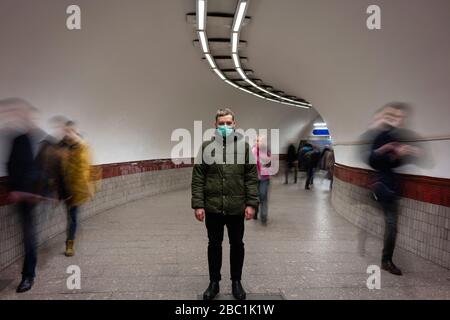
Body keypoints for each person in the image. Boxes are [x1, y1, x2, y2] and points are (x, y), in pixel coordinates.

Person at [191, 108, 259, 300]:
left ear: (234, 124)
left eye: (229, 123)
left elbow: (251, 177)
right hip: (212, 207)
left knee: (237, 244)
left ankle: (236, 282)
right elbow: (198, 177)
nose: (225, 127)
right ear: (215, 125)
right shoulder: (206, 147)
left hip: (236, 208)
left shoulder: (244, 147)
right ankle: (214, 283)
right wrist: (198, 204)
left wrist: (251, 203)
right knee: (214, 245)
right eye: (222, 123)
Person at [368, 102, 421, 276]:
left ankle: (386, 259)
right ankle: (386, 261)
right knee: (391, 226)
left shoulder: (395, 138)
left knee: (392, 226)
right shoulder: (382, 136)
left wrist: (402, 154)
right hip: (383, 188)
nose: (400, 120)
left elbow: (393, 163)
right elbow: (373, 160)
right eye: (396, 117)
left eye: (402, 117)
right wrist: (387, 149)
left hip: (391, 188)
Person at [2, 98, 47, 293]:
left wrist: (38, 192)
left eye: (21, 113)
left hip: (34, 195)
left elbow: (44, 168)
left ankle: (28, 276)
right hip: (20, 195)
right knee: (27, 235)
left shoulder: (40, 139)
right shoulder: (16, 139)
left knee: (29, 236)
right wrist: (13, 189)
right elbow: (11, 165)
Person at [57, 120, 94, 257]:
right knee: (71, 217)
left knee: (72, 218)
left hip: (76, 189)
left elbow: (85, 168)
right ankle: (70, 241)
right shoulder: (61, 146)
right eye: (66, 131)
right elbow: (57, 168)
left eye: (70, 131)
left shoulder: (81, 146)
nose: (67, 133)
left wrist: (86, 188)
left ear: (74, 131)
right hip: (65, 189)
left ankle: (69, 244)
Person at [252, 135, 272, 224]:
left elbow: (270, 162)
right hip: (254, 178)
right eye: (257, 141)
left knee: (263, 195)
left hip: (264, 178)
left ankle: (264, 216)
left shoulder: (266, 151)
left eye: (261, 141)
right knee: (257, 197)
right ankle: (256, 211)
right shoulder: (252, 151)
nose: (259, 142)